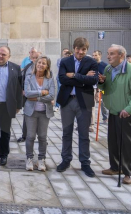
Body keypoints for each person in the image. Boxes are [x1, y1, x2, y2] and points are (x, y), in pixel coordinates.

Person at [98, 45, 131, 185]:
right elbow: (105, 88)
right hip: (113, 111)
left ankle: (129, 172)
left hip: (126, 113)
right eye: (108, 53)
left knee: (127, 143)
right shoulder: (107, 69)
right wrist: (101, 83)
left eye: (111, 54)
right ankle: (115, 167)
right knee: (113, 141)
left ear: (121, 55)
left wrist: (129, 108)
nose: (108, 56)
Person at [56, 37, 98, 177]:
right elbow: (62, 79)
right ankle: (66, 160)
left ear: (87, 50)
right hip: (67, 100)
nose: (80, 52)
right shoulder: (65, 61)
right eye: (78, 49)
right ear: (74, 48)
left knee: (84, 134)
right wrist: (82, 78)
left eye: (83, 50)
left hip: (84, 102)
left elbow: (93, 80)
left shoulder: (91, 62)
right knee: (66, 133)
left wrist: (74, 76)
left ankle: (85, 163)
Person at [24, 55, 55, 172]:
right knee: (30, 136)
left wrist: (36, 98)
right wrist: (42, 92)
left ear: (47, 66)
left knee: (42, 137)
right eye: (39, 62)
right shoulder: (29, 77)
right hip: (31, 112)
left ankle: (41, 159)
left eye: (44, 63)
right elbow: (27, 93)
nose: (41, 65)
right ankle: (29, 158)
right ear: (36, 64)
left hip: (44, 112)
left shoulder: (50, 79)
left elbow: (51, 95)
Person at [17, 51, 40, 143]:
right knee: (27, 115)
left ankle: (41, 137)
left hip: (40, 96)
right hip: (28, 95)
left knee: (40, 117)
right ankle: (24, 136)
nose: (35, 59)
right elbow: (21, 78)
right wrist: (22, 89)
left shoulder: (45, 68)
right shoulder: (27, 67)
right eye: (34, 58)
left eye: (37, 57)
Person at [92, 50, 108, 124]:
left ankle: (105, 117)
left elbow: (107, 76)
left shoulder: (104, 65)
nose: (94, 57)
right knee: (92, 104)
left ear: (100, 56)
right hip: (93, 86)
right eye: (93, 55)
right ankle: (92, 120)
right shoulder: (91, 64)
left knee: (102, 103)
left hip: (102, 86)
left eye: (96, 55)